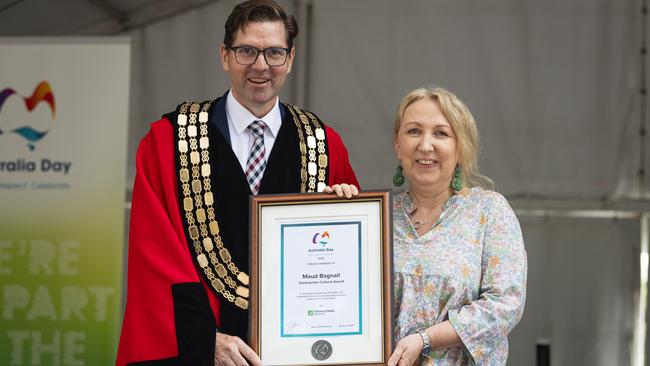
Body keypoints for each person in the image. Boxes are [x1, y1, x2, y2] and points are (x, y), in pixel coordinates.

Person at [116, 1, 359, 365]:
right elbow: (155, 256)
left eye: (274, 52)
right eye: (246, 51)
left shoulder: (323, 145)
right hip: (206, 350)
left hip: (300, 351)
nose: (260, 65)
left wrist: (346, 212)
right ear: (224, 55)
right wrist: (203, 339)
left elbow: (347, 269)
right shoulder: (169, 141)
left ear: (290, 60)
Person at [387, 87, 527, 366]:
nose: (426, 145)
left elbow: (505, 304)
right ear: (397, 145)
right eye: (414, 131)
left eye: (441, 133)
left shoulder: (488, 211)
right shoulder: (376, 216)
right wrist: (338, 207)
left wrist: (425, 339)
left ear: (461, 147)